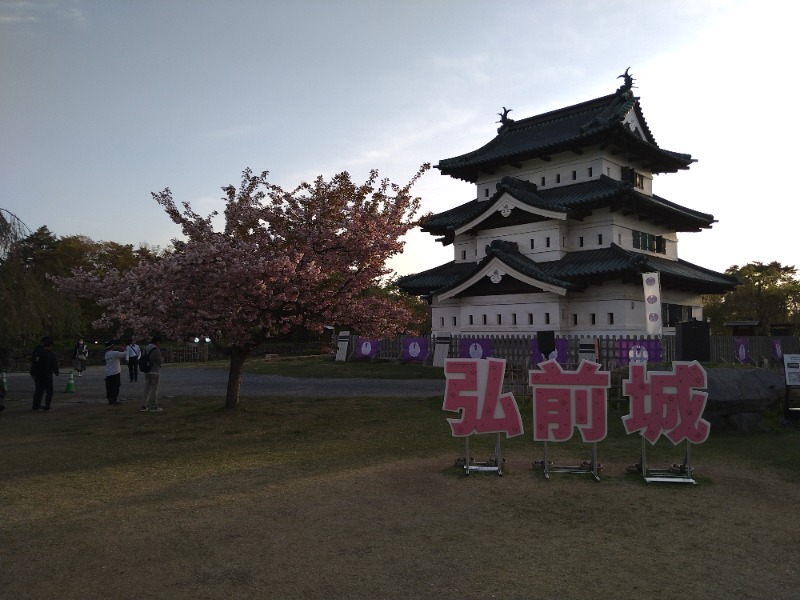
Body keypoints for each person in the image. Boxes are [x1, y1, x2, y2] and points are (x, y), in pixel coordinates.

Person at [30, 336, 60, 411]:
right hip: (47, 374)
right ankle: (47, 405)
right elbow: (53, 364)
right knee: (49, 390)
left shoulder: (38, 352)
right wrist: (56, 371)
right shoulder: (51, 354)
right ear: (50, 346)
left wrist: (33, 372)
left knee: (39, 390)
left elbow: (34, 362)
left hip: (38, 374)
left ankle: (35, 405)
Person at [140, 336, 164, 413]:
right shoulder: (156, 350)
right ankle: (153, 406)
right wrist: (163, 357)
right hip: (154, 371)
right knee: (154, 388)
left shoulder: (145, 348)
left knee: (147, 387)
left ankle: (143, 405)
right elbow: (160, 361)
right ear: (157, 342)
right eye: (159, 343)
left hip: (146, 370)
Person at [103, 340, 127, 406]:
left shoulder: (106, 354)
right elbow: (125, 354)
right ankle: (114, 399)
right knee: (116, 386)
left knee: (109, 387)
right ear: (112, 346)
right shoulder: (114, 353)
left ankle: (110, 400)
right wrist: (124, 348)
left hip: (108, 373)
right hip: (115, 372)